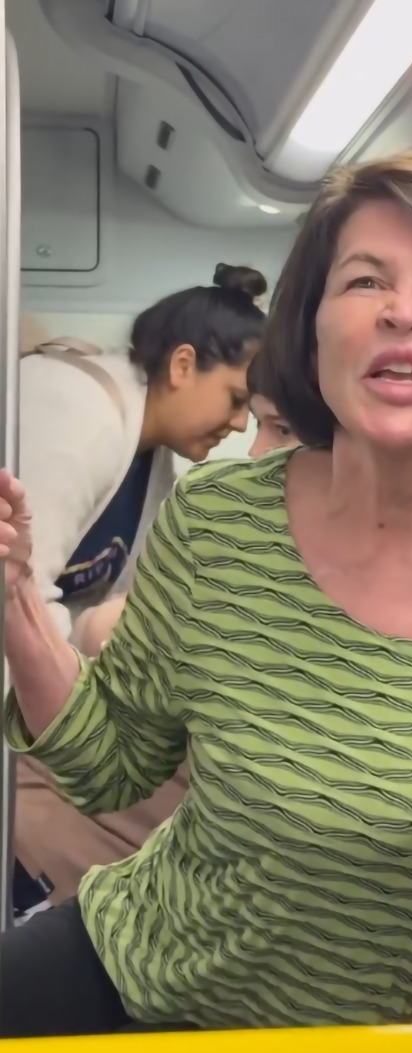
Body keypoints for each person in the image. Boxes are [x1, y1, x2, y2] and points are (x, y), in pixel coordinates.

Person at [0, 149, 412, 1037]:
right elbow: (114, 758)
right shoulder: (218, 521)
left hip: (378, 1030)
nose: (402, 310)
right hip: (140, 974)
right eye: (365, 280)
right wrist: (12, 603)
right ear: (313, 338)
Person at [12, 263, 268, 919]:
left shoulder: (151, 463)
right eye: (237, 399)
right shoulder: (79, 412)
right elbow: (16, 595)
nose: (241, 427)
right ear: (183, 364)